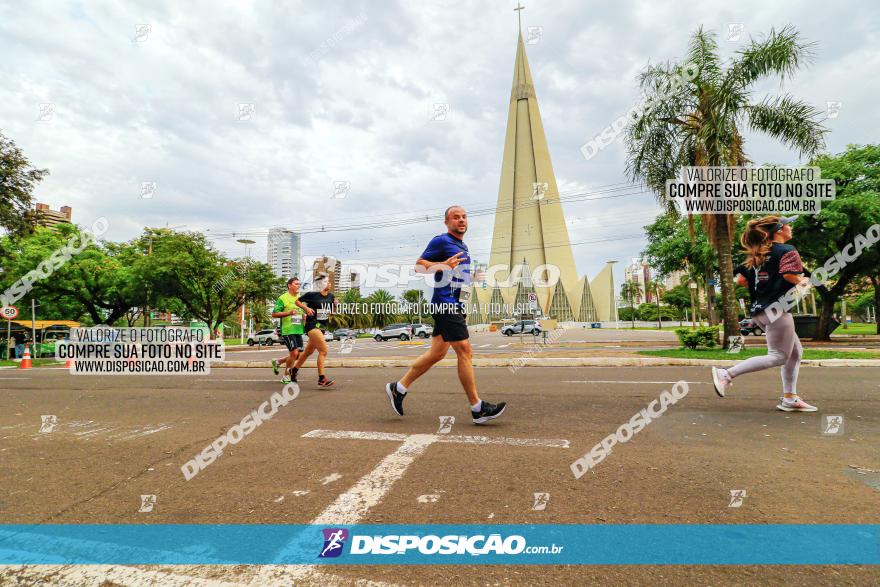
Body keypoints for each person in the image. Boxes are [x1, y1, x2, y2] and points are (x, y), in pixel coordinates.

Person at [384, 205, 506, 424]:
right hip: (445, 303)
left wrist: (471, 278)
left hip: (455, 305)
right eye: (456, 217)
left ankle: (398, 388)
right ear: (447, 222)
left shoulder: (463, 246)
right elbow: (419, 267)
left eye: (464, 217)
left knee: (437, 353)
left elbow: (456, 277)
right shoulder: (440, 241)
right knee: (465, 351)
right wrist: (442, 265)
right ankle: (478, 408)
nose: (461, 220)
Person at [711, 216, 816, 412]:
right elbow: (789, 275)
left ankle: (790, 398)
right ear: (779, 230)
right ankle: (726, 374)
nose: (790, 227)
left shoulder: (757, 254)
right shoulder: (787, 250)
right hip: (777, 310)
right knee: (777, 356)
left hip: (760, 311)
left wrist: (766, 284)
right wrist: (802, 282)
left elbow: (741, 280)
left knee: (795, 352)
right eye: (788, 224)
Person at [290, 274, 336, 387]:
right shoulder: (312, 295)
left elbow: (331, 310)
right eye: (326, 282)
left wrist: (335, 306)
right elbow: (297, 301)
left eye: (329, 282)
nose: (329, 283)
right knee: (323, 351)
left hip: (322, 327)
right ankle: (321, 378)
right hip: (311, 325)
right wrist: (306, 308)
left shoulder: (331, 296)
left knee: (307, 353)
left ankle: (294, 371)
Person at [270, 277, 313, 384]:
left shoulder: (299, 298)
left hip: (298, 329)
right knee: (294, 352)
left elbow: (301, 312)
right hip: (288, 330)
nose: (298, 285)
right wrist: (288, 313)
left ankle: (278, 362)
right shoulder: (283, 298)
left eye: (299, 284)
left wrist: (304, 317)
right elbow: (274, 314)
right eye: (296, 284)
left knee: (298, 355)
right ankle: (286, 376)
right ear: (289, 285)